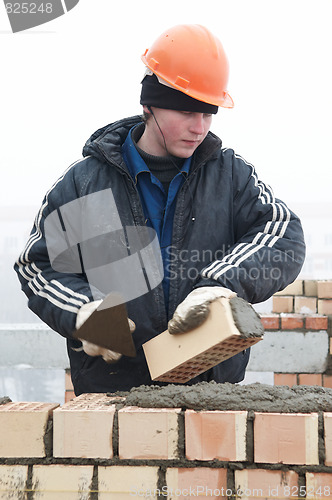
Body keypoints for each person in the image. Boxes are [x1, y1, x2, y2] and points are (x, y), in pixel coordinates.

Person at [14, 24, 305, 395]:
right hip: (113, 392)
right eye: (186, 111)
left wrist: (219, 286)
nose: (199, 127)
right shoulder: (84, 184)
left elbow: (283, 235)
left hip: (210, 392)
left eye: (208, 113)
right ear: (148, 104)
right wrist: (83, 312)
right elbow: (40, 265)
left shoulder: (230, 176)